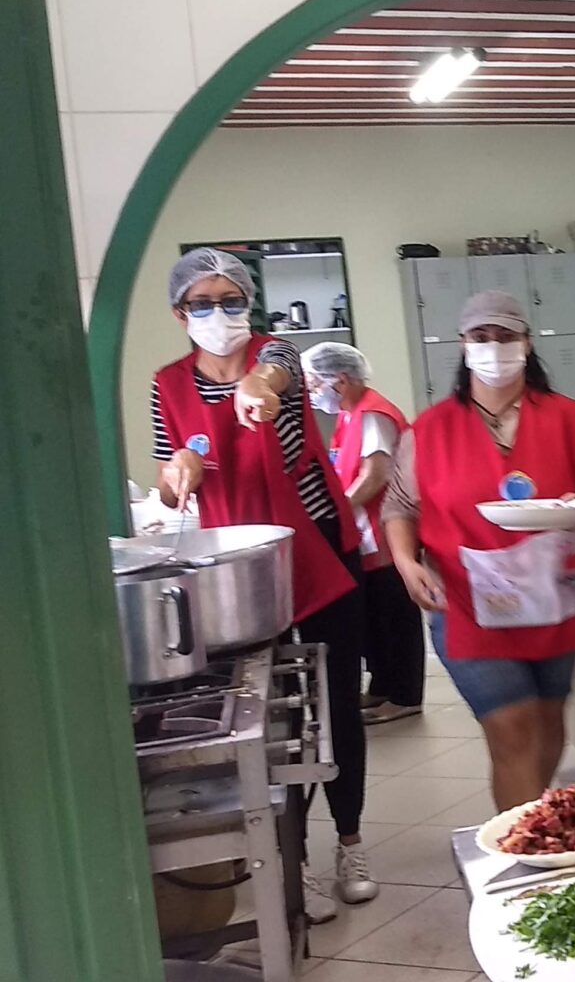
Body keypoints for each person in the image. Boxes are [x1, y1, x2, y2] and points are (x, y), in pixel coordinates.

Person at [150, 248, 375, 921]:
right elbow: (166, 479)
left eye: (230, 300)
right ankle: (294, 859)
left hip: (317, 554)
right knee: (271, 720)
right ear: (178, 313)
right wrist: (179, 467)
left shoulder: (274, 353)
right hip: (240, 574)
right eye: (201, 303)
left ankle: (352, 842)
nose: (218, 314)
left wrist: (261, 387)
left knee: (335, 708)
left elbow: (275, 374)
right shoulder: (167, 383)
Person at [381, 291, 575, 809]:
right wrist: (404, 562)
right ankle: (526, 856)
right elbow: (400, 506)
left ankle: (537, 819)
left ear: (527, 345)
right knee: (511, 730)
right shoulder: (429, 429)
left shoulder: (570, 417)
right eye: (481, 337)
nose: (494, 347)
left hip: (553, 596)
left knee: (548, 725)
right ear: (464, 347)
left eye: (506, 336)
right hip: (468, 603)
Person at [300, 342, 421, 725]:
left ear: (342, 379)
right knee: (375, 619)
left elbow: (376, 476)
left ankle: (404, 694)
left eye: (317, 383)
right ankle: (384, 686)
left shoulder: (372, 414)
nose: (314, 392)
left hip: (385, 534)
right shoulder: (351, 415)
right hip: (364, 535)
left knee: (394, 617)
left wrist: (336, 513)